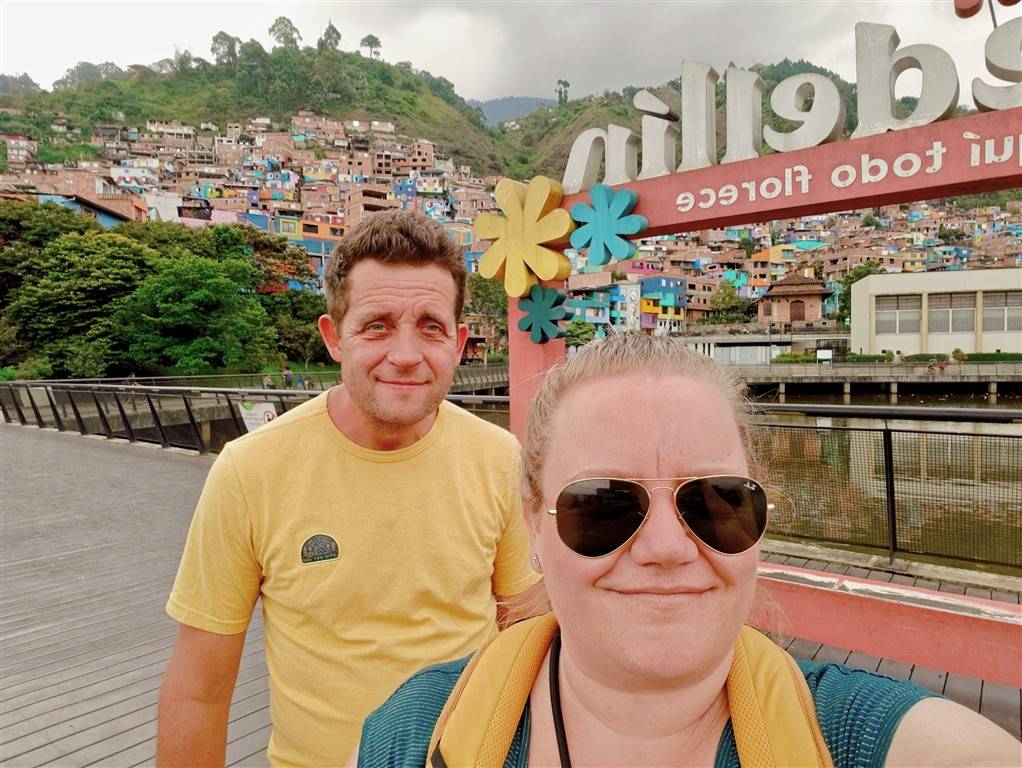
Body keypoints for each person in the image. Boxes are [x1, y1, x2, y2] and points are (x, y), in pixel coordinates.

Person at [358, 333, 1020, 767]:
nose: (668, 548)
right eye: (603, 506)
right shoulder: (415, 731)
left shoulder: (854, 738)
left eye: (712, 501)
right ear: (533, 524)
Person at [157, 210, 541, 767]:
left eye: (430, 326)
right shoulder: (251, 470)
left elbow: (526, 639)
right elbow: (199, 689)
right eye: (377, 325)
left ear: (458, 343)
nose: (405, 354)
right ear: (334, 337)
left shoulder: (500, 458)